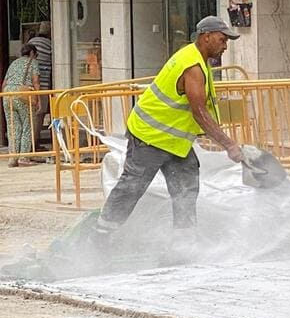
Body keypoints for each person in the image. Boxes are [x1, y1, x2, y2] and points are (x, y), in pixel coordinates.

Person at [88, 16, 244, 250]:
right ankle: (100, 236)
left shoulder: (197, 59)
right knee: (132, 187)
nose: (225, 45)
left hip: (174, 141)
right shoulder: (192, 66)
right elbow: (199, 112)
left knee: (186, 186)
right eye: (222, 39)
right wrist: (229, 145)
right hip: (150, 136)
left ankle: (184, 241)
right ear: (207, 36)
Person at [2, 44, 40, 167]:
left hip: (7, 95)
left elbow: (4, 83)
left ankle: (13, 158)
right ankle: (24, 157)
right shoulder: (33, 62)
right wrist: (38, 99)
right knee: (27, 125)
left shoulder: (13, 64)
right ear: (32, 53)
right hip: (22, 95)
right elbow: (35, 81)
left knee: (13, 127)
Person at [27, 22, 52, 151]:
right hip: (42, 85)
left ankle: (29, 144)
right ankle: (34, 144)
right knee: (39, 114)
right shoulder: (51, 45)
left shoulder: (31, 42)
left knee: (31, 116)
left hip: (28, 87)